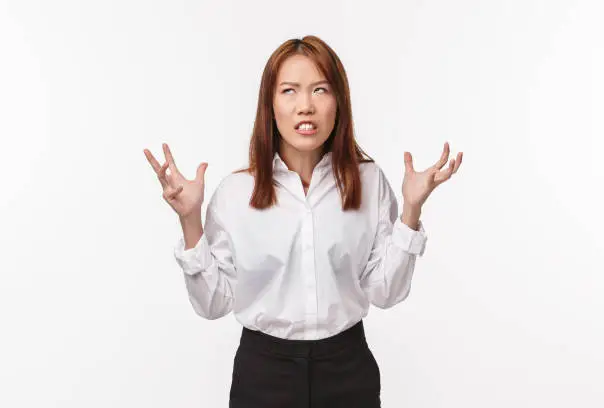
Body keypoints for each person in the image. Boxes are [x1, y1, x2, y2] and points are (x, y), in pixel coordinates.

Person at [144, 35, 462, 408]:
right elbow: (212, 305)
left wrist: (410, 211)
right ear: (270, 104)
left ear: (338, 102)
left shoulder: (369, 181)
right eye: (289, 91)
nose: (305, 107)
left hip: (347, 370)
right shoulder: (235, 192)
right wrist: (190, 220)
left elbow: (385, 293)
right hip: (263, 374)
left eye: (320, 90)